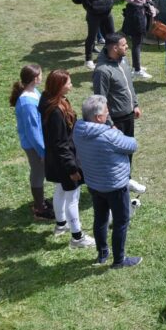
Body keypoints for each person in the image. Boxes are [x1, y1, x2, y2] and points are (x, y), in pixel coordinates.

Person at [72, 95, 142, 269]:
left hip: (94, 183)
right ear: (98, 118)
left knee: (100, 218)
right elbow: (132, 145)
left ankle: (102, 252)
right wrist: (116, 131)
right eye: (106, 111)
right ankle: (119, 260)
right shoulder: (109, 135)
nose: (108, 113)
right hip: (115, 185)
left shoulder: (78, 130)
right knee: (121, 221)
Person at [40, 70, 95, 249]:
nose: (71, 85)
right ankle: (77, 237)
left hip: (56, 159)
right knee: (72, 197)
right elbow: (61, 143)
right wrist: (72, 168)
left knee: (60, 190)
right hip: (65, 160)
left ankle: (61, 224)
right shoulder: (56, 111)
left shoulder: (51, 100)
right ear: (59, 86)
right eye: (68, 82)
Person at [9, 64, 53, 220]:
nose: (42, 76)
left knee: (39, 172)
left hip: (38, 142)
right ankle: (39, 208)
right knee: (38, 173)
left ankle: (40, 202)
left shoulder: (33, 91)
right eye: (40, 74)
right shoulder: (27, 103)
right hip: (34, 145)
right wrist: (42, 152)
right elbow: (32, 132)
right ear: (35, 79)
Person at [92, 33, 141, 137]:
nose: (127, 46)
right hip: (116, 121)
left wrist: (135, 105)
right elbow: (100, 100)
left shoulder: (123, 60)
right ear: (115, 48)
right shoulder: (102, 71)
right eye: (123, 45)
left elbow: (129, 85)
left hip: (129, 115)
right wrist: (110, 124)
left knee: (129, 145)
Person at [80, 0, 119, 70]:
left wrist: (110, 4)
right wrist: (91, 8)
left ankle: (108, 55)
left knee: (111, 35)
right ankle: (88, 59)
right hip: (94, 14)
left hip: (107, 12)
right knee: (92, 36)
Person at [121, 0, 155, 78]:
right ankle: (137, 70)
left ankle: (137, 65)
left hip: (142, 11)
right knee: (136, 42)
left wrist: (151, 7)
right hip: (134, 13)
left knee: (139, 41)